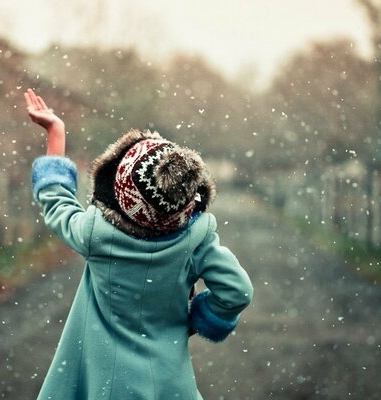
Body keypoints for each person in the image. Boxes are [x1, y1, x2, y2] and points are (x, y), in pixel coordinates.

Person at [24, 89, 253, 399]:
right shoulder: (196, 243)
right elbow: (237, 291)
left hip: (105, 387)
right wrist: (201, 316)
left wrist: (56, 132)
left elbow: (57, 201)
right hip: (171, 387)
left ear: (118, 192)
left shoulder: (95, 235)